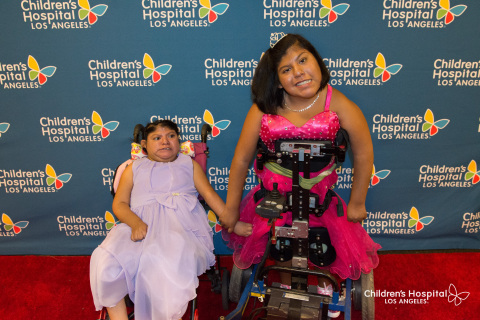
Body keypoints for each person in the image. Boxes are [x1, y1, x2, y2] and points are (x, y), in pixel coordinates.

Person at [221, 34, 381, 313]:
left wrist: (357, 202)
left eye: (303, 60)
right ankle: (285, 287)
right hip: (274, 197)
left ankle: (322, 285)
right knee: (280, 243)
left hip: (318, 201)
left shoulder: (338, 102)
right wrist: (231, 210)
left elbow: (364, 153)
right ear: (277, 79)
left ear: (317, 61)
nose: (298, 73)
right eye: (286, 69)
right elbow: (240, 160)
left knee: (322, 243)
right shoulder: (264, 108)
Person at [90, 120, 251, 320]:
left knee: (160, 260)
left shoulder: (188, 164)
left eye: (171, 136)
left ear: (178, 140)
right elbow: (120, 203)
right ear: (144, 145)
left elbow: (210, 197)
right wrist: (135, 223)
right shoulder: (134, 168)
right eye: (157, 138)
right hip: (139, 226)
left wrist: (233, 224)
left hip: (179, 228)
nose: (165, 141)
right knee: (106, 260)